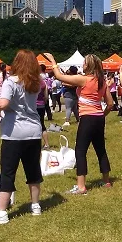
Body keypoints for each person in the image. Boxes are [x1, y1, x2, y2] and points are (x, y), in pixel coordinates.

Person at [0, 50, 43, 225]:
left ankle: (1, 212)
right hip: (33, 132)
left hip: (14, 134)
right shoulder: (36, 83)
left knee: (8, 173)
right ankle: (36, 205)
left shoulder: (10, 82)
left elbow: (4, 103)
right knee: (33, 170)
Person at [45, 53, 114, 195]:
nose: (82, 65)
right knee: (100, 149)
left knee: (80, 151)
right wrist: (102, 115)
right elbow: (110, 104)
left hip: (87, 118)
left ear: (88, 65)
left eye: (84, 63)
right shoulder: (102, 81)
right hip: (98, 118)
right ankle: (106, 181)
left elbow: (59, 76)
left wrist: (53, 60)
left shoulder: (84, 79)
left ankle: (81, 186)